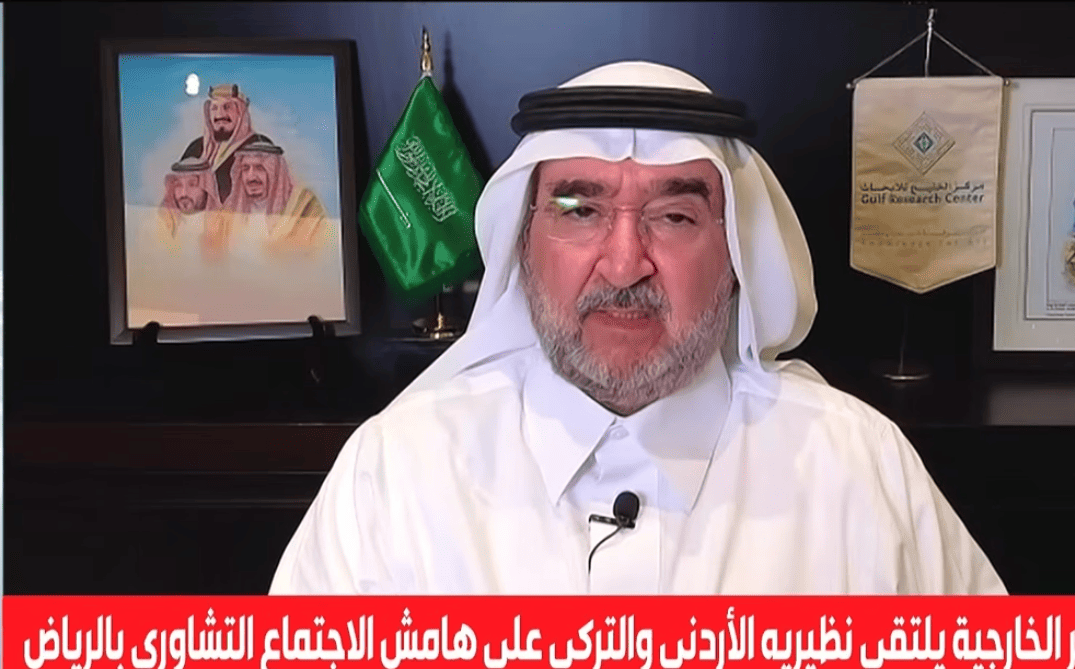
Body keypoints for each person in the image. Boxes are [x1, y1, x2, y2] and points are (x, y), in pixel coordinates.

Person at [269, 61, 1006, 595]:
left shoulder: (858, 469)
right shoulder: (396, 474)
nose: (624, 265)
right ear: (524, 242)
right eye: (579, 211)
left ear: (736, 253)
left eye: (674, 216)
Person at [215, 136, 326, 255]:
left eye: (259, 168)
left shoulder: (302, 205)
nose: (251, 177)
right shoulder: (229, 210)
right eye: (245, 168)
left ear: (275, 172)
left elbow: (321, 250)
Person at [179, 84, 273, 203]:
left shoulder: (259, 145)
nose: (220, 115)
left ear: (240, 113)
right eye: (214, 108)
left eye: (227, 107)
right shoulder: (196, 148)